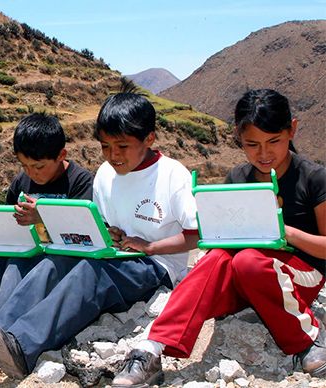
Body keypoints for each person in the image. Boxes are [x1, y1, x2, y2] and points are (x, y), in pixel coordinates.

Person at [0, 92, 199, 379]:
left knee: (89, 273)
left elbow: (197, 235)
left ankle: (22, 346)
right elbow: (100, 223)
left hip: (154, 265)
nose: (113, 155)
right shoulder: (105, 175)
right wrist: (108, 234)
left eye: (122, 146)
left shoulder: (173, 175)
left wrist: (150, 246)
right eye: (106, 146)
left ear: (149, 139)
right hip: (114, 255)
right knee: (52, 262)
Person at [112, 89, 326, 387]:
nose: (263, 154)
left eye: (273, 141)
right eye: (252, 144)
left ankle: (309, 337)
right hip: (245, 277)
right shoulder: (238, 178)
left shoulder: (314, 178)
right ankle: (151, 348)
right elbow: (221, 238)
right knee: (216, 257)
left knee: (249, 260)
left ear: (292, 129)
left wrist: (284, 232)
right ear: (239, 139)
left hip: (300, 273)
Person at [0, 112, 94, 370]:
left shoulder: (81, 182)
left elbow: (84, 236)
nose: (32, 173)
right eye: (24, 166)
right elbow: (10, 219)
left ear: (61, 156)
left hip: (61, 260)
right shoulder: (22, 181)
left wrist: (42, 218)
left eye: (39, 166)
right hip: (27, 252)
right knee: (5, 265)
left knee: (16, 268)